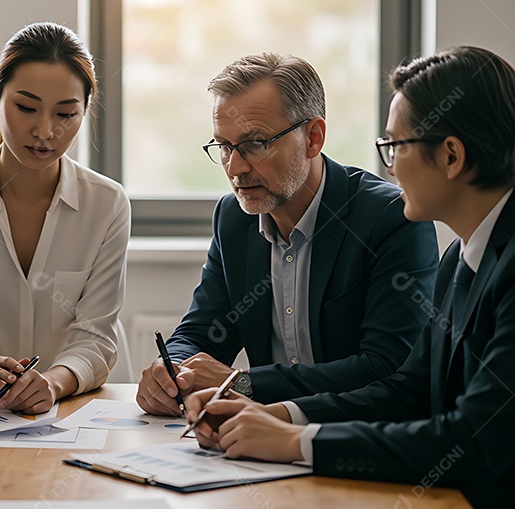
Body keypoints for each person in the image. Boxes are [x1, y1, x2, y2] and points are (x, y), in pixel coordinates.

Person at [185, 46, 515, 508]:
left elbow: (473, 440)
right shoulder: (460, 256)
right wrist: (279, 416)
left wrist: (296, 442)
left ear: (452, 157)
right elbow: (410, 391)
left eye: (395, 147)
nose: (389, 166)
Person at [136, 53, 438, 415]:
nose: (235, 167)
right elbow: (202, 332)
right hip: (252, 441)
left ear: (313, 137)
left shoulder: (392, 218)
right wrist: (172, 370)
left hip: (352, 438)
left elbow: (386, 368)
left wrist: (242, 384)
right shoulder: (234, 217)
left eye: (255, 144)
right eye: (224, 146)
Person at [0, 22, 127, 414]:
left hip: (75, 405)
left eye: (66, 113)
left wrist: (51, 383)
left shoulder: (107, 203)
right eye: (27, 108)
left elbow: (96, 337)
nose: (45, 131)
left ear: (84, 111)